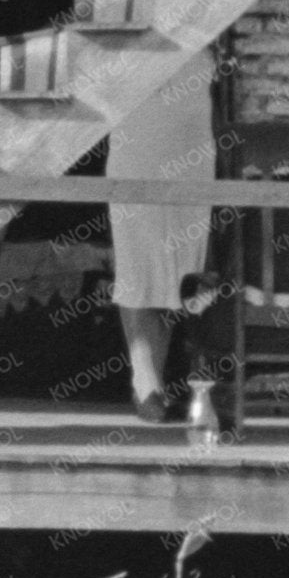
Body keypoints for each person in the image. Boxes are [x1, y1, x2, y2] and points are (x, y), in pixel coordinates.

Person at [106, 63, 222, 423]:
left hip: (193, 146)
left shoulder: (206, 23)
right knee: (139, 262)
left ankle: (159, 381)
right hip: (139, 139)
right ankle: (144, 380)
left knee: (182, 270)